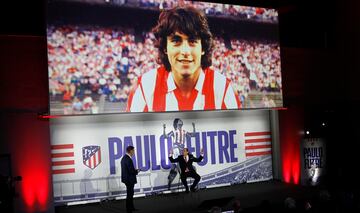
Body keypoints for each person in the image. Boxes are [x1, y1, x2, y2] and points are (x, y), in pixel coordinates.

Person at [127, 6, 241, 112]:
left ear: (203, 48)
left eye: (192, 41)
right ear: (165, 47)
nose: (185, 51)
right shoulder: (144, 88)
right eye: (176, 41)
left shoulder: (223, 90)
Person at [163, 118, 196, 189]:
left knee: (174, 169)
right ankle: (185, 184)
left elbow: (193, 135)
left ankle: (170, 183)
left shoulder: (184, 131)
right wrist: (164, 129)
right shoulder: (174, 132)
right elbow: (165, 136)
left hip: (182, 150)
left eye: (181, 124)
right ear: (176, 125)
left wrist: (194, 127)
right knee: (180, 167)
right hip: (176, 149)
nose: (180, 125)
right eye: (179, 124)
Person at [121, 146, 140, 213]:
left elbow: (128, 169)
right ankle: (129, 209)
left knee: (130, 194)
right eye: (133, 151)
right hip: (129, 180)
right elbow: (131, 171)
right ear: (131, 151)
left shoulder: (124, 158)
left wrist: (134, 170)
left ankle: (131, 208)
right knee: (130, 194)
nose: (134, 152)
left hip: (127, 179)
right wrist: (137, 171)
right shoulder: (128, 159)